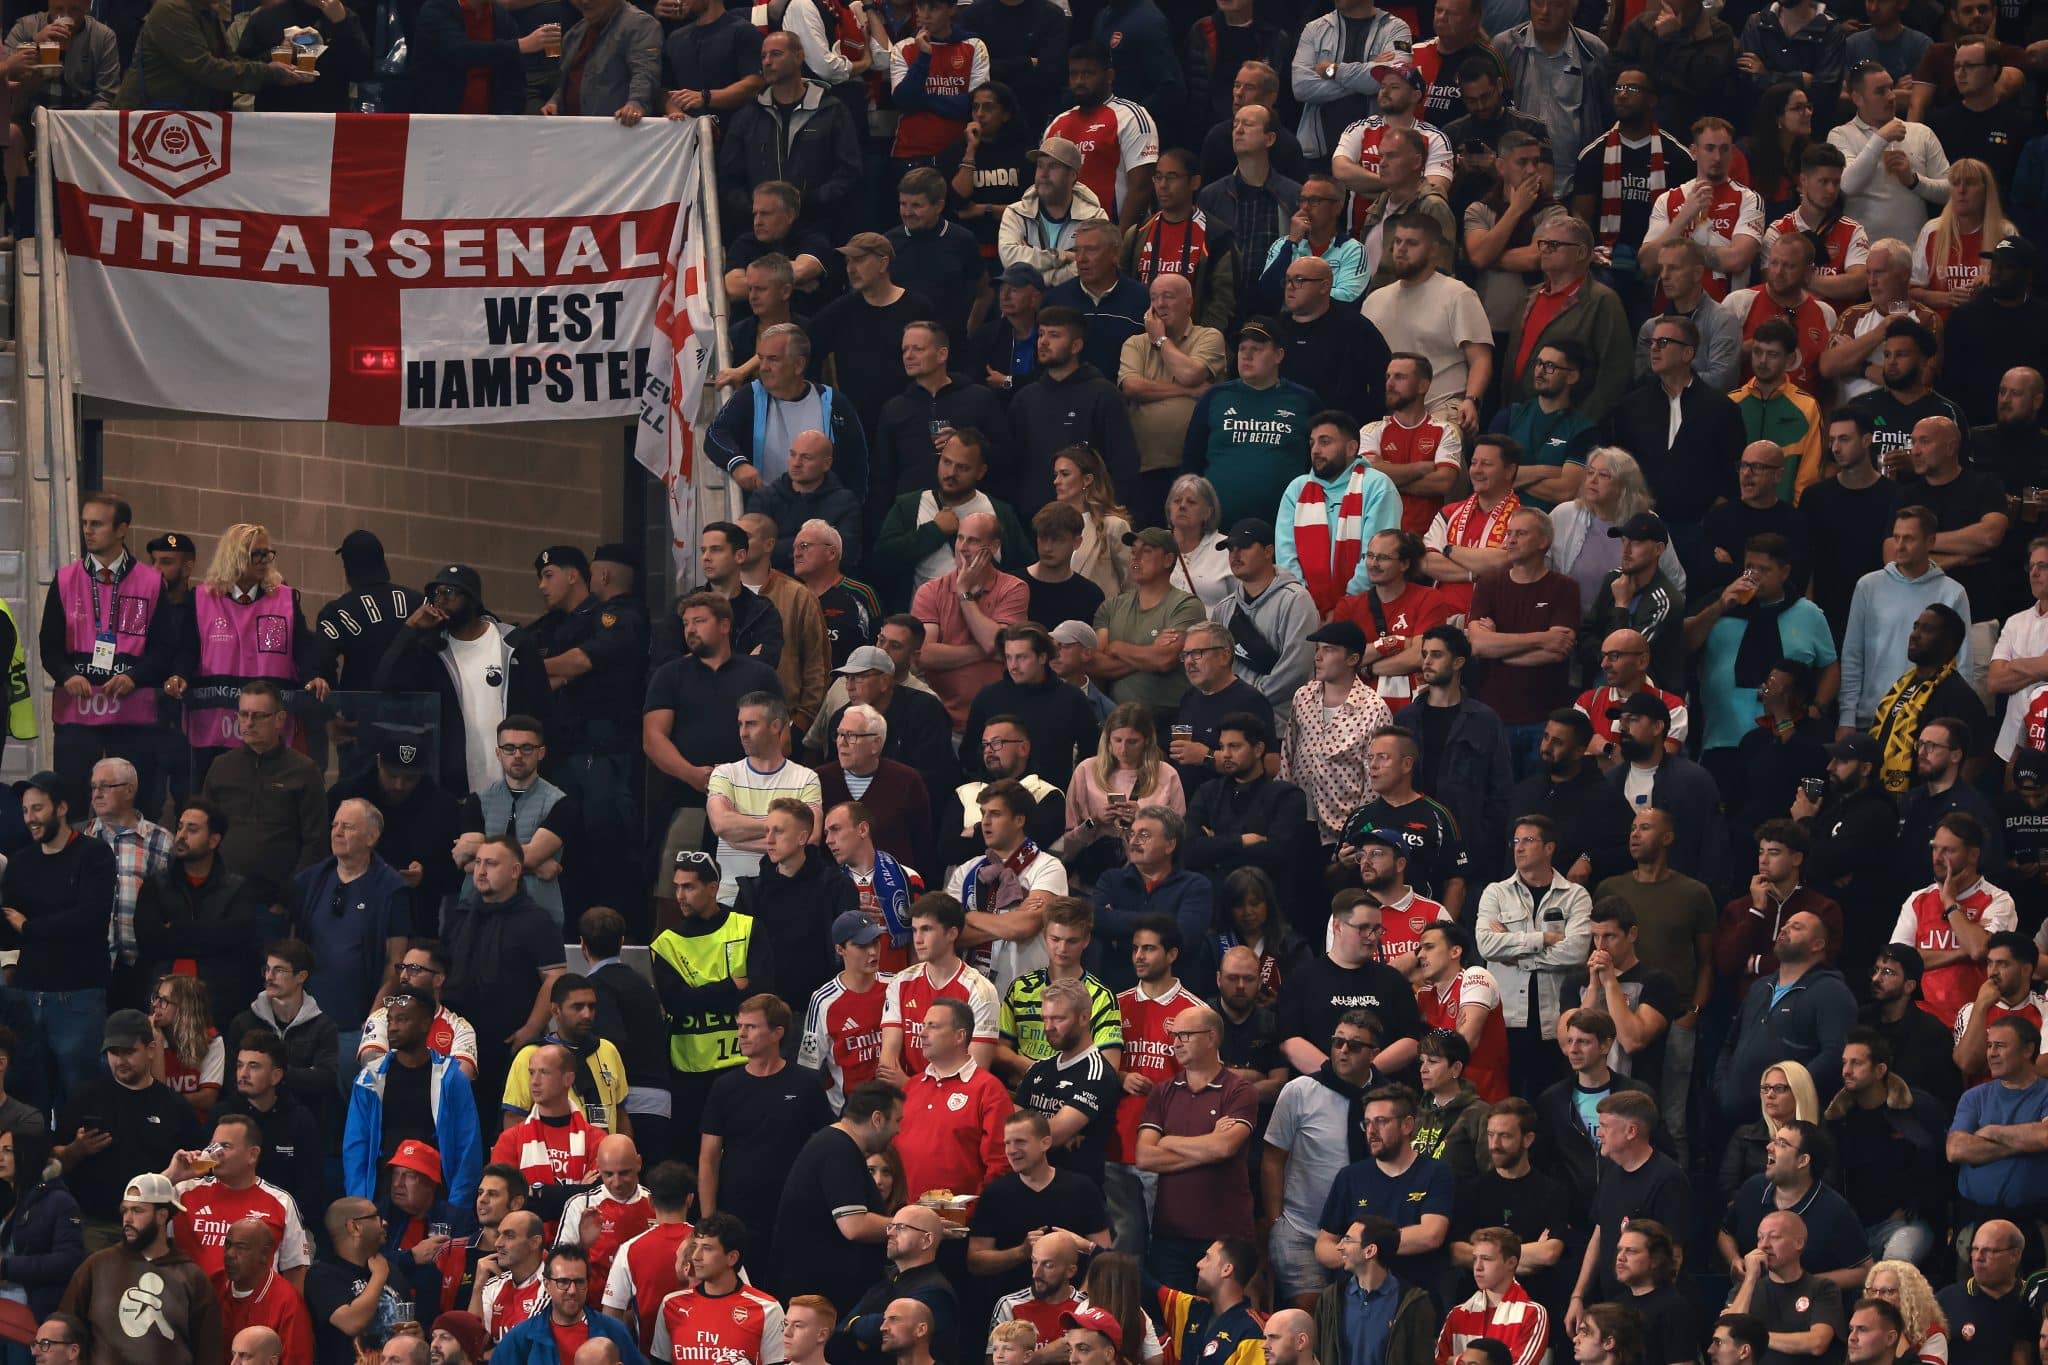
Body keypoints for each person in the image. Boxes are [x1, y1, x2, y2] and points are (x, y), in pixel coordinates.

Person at [39, 493, 177, 832]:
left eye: (97, 524)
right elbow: (49, 645)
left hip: (130, 709)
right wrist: (66, 674)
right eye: (85, 523)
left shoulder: (150, 581)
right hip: (79, 707)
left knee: (134, 794)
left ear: (121, 530)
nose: (88, 531)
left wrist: (135, 676)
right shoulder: (66, 578)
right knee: (70, 796)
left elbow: (164, 648)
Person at [375, 564, 547, 801]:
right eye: (436, 594)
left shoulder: (512, 644)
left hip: (516, 781)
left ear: (472, 599)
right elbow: (385, 681)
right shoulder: (432, 651)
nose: (440, 600)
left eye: (449, 592)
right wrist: (410, 629)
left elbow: (543, 706)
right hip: (456, 787)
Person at [0, 771, 116, 1114]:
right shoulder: (21, 863)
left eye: (38, 809)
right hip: (26, 995)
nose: (30, 819)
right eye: (25, 811)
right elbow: (9, 925)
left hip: (77, 996)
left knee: (80, 1097)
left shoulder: (94, 854)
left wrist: (31, 927)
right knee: (27, 1097)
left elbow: (90, 918)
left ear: (62, 808)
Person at [1607, 316, 1747, 583]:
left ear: (1688, 353)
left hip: (1697, 532)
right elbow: (1620, 467)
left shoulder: (1721, 409)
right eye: (1652, 342)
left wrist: (1708, 525)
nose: (1654, 348)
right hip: (1640, 530)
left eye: (1664, 342)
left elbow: (1732, 475)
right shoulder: (1631, 406)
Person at [1262, 1008, 1382, 1310]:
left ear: (1373, 1053)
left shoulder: (1388, 1099)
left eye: (1354, 1045)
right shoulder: (1299, 1091)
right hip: (1301, 1228)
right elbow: (1273, 1159)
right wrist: (1276, 1220)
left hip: (1366, 1235)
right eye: (1337, 1042)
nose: (1342, 1051)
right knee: (1308, 1318)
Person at [56, 1172, 219, 1365]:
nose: (128, 1219)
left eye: (137, 1211)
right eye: (125, 1211)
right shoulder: (97, 1265)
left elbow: (209, 1353)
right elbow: (65, 1330)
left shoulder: (192, 1277)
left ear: (161, 1216)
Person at [341, 989, 483, 1209]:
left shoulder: (451, 1078)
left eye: (402, 1019)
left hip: (437, 1198)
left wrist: (456, 1207)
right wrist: (360, 1204)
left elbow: (468, 1148)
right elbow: (356, 1147)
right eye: (390, 1020)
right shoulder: (369, 1079)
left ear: (426, 1024)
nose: (393, 1027)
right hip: (381, 1197)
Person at [1838, 508, 1974, 736]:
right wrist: (1846, 717)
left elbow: (1963, 664)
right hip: (1870, 719)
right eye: (1896, 537)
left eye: (1908, 538)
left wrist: (1951, 725)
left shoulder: (1953, 593)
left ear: (1930, 541)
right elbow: (1853, 655)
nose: (1899, 546)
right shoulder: (1868, 586)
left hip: (1926, 724)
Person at [199, 681, 327, 912]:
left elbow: (315, 841)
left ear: (280, 719)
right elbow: (204, 829)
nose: (248, 723)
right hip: (221, 897)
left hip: (275, 903)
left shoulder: (304, 770)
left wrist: (287, 898)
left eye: (258, 716)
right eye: (244, 714)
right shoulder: (221, 766)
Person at [775, 1080, 902, 1312]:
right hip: (820, 1303)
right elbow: (854, 1226)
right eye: (897, 1121)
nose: (898, 1130)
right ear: (877, 1119)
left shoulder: (835, 1145)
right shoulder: (838, 1150)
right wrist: (912, 1226)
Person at [1359, 216, 1493, 432]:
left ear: (1433, 250)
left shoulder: (1458, 294)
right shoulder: (1375, 300)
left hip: (1443, 406)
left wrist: (1472, 400)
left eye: (1411, 243)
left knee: (1440, 445)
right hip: (1389, 411)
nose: (1401, 249)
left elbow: (1480, 359)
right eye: (1397, 242)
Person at [1565, 1090, 1692, 1310]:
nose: (1599, 1133)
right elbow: (1599, 1234)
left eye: (1605, 1126)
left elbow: (1674, 1254)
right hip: (1611, 1303)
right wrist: (1578, 1296)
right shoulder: (1610, 1169)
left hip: (1646, 1309)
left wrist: (1654, 1310)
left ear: (1631, 1131)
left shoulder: (1668, 1179)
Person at [1890, 812, 2015, 1029]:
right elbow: (1897, 962)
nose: (1937, 858)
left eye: (1948, 850)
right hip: (1923, 1020)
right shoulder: (1918, 899)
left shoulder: (1998, 900)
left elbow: (1977, 949)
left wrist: (1950, 903)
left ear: (1973, 855)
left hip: (1979, 1021)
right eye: (1935, 848)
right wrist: (1961, 952)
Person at [1722, 1212, 1848, 1365]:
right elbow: (1727, 1337)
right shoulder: (1743, 1289)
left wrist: (1755, 1337)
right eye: (1760, 1238)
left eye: (1774, 1237)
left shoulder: (1823, 1288)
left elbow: (1817, 1343)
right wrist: (1750, 1278)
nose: (1764, 1245)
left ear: (1799, 1243)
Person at [1314, 1215, 1437, 1365]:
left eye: (1347, 1240)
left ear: (1370, 1251)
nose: (1339, 1246)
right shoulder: (1330, 1299)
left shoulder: (1414, 1303)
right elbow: (1317, 1356)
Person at [495, 1245, 639, 1364]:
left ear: (588, 1283)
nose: (572, 1291)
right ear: (546, 1284)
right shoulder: (521, 1338)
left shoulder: (613, 1331)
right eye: (563, 1282)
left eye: (579, 1282)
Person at [1435, 1227, 1550, 1365]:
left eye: (1486, 1259)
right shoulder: (1457, 1314)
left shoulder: (1533, 1314)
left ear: (1511, 1263)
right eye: (1474, 1259)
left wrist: (1457, 1361)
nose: (1477, 1267)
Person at [214, 1220, 314, 1365]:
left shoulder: (288, 1303)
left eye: (241, 1247)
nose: (229, 1254)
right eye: (228, 1245)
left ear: (265, 1254)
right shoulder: (214, 1284)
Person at [1934, 1218, 2031, 1365]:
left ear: (2014, 1255)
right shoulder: (1946, 1300)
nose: (1978, 1257)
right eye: (1974, 1249)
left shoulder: (2033, 1300)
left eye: (1988, 1251)